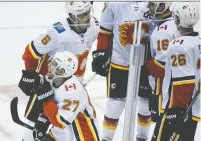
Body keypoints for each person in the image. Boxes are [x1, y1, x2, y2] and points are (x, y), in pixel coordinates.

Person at [18, 2, 99, 140]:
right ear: (72, 17)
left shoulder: (94, 26)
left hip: (73, 83)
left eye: (88, 13)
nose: (87, 18)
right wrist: (29, 75)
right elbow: (30, 52)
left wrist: (102, 54)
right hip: (48, 83)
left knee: (67, 124)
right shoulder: (57, 33)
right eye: (82, 15)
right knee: (35, 122)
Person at [92, 2, 152, 141]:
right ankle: (106, 139)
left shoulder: (151, 3)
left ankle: (142, 138)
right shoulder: (113, 3)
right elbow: (105, 31)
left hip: (146, 62)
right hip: (119, 62)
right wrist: (100, 54)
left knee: (145, 103)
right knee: (115, 104)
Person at [151, 3, 200, 141]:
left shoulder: (178, 46)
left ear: (177, 20)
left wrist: (175, 111)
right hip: (193, 109)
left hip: (178, 110)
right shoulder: (198, 41)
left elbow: (183, 81)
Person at [31, 51, 100, 141]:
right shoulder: (55, 79)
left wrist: (46, 99)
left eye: (54, 64)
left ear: (61, 71)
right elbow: (57, 106)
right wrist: (43, 120)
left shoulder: (73, 93)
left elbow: (60, 121)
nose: (49, 65)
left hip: (83, 134)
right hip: (63, 131)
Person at [145, 2, 180, 122]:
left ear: (162, 6)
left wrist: (145, 67)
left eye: (153, 5)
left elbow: (162, 65)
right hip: (180, 84)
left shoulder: (163, 32)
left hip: (165, 88)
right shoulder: (175, 21)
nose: (149, 8)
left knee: (163, 126)